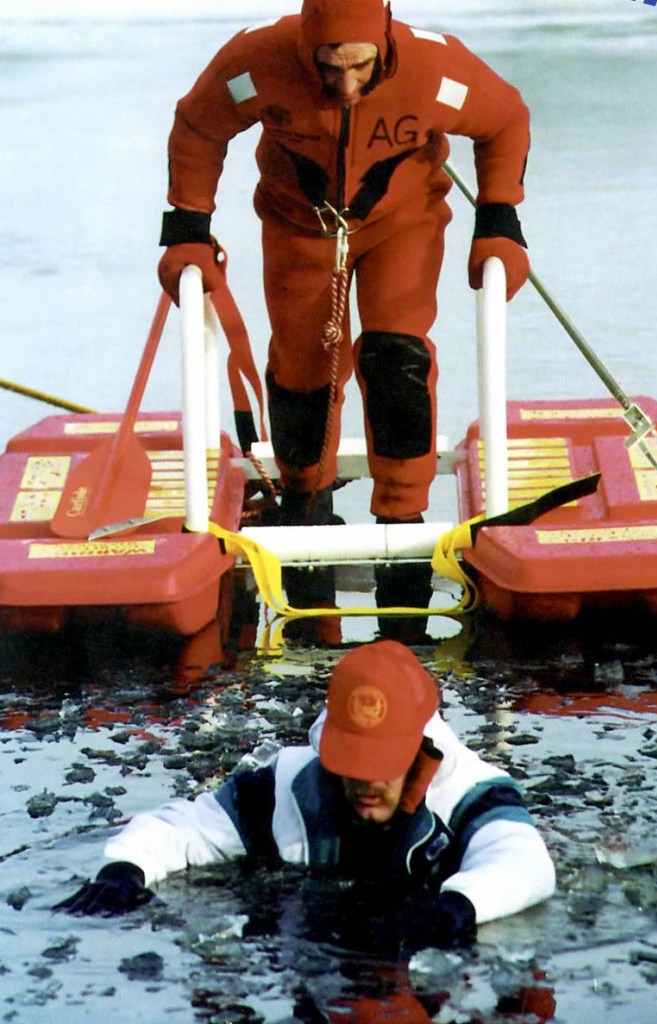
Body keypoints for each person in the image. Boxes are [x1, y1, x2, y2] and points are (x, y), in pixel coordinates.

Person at [155, 0, 531, 621]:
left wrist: (499, 218)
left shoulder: (437, 70)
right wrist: (188, 227)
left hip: (401, 225)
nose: (348, 84)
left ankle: (403, 527)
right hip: (300, 230)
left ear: (383, 41)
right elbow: (199, 127)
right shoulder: (256, 62)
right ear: (308, 49)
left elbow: (506, 120)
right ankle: (304, 509)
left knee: (396, 358)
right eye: (331, 67)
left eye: (360, 65)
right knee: (302, 369)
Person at [55, 640, 556, 951]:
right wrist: (124, 868)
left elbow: (526, 864)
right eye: (351, 763)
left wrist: (460, 906)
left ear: (420, 750)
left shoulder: (472, 793)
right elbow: (184, 827)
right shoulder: (289, 784)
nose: (362, 783)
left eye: (379, 766)